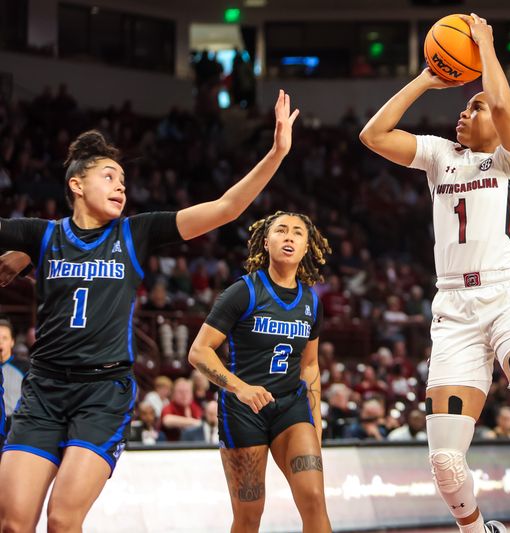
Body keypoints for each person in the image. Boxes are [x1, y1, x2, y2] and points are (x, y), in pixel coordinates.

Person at [0, 89, 300, 532]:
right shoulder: (40, 235)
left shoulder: (135, 233)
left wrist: (276, 153)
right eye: (108, 176)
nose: (121, 185)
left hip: (102, 392)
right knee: (13, 523)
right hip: (42, 390)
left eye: (123, 179)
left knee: (63, 519)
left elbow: (225, 208)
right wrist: (20, 252)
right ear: (76, 184)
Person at [360, 13, 510, 533]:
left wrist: (485, 46)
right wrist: (428, 77)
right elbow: (373, 134)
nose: (463, 113)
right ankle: (477, 529)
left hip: (509, 295)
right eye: (465, 106)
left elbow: (503, 104)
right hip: (453, 311)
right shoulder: (441, 155)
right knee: (444, 463)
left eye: (474, 106)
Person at [188, 211, 332, 533]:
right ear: (266, 242)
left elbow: (309, 364)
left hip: (291, 408)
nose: (289, 236)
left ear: (307, 246)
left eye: (297, 232)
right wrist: (240, 387)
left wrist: (316, 422)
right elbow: (198, 352)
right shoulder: (243, 291)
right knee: (249, 514)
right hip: (244, 411)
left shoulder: (311, 300)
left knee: (314, 499)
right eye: (281, 230)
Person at [0, 319, 27, 448]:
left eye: (4, 338)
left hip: (15, 426)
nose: (0, 342)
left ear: (12, 342)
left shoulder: (24, 368)